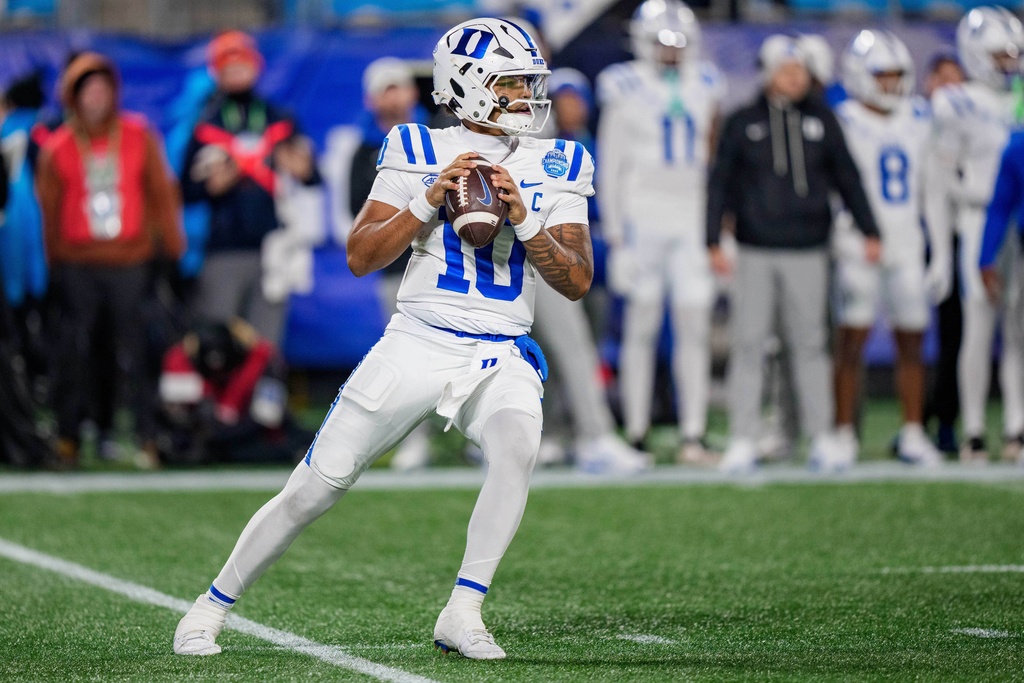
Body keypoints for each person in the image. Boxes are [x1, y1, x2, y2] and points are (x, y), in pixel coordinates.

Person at [174, 17, 594, 660]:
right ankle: (210, 606)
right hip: (419, 338)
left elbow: (577, 279)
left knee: (517, 446)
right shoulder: (415, 147)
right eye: (511, 82)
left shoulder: (560, 161)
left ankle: (463, 610)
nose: (526, 97)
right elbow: (361, 255)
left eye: (527, 82)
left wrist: (526, 217)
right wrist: (427, 201)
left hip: (502, 347)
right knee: (313, 489)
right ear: (472, 85)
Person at [706, 35, 882, 474]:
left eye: (800, 70)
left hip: (808, 248)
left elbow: (848, 177)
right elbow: (720, 182)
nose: (794, 77)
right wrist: (711, 238)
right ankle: (744, 438)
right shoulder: (742, 121)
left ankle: (821, 436)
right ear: (768, 74)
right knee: (749, 344)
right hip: (755, 248)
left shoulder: (822, 119)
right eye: (786, 70)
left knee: (810, 344)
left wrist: (870, 228)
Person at [35, 52, 184, 469]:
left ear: (114, 92)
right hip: (77, 264)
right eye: (87, 90)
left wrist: (172, 249)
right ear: (73, 97)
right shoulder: (58, 147)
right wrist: (48, 268)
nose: (96, 97)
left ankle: (147, 438)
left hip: (130, 261)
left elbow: (161, 194)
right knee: (76, 352)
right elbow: (48, 209)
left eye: (103, 88)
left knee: (136, 352)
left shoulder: (138, 135)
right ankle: (69, 437)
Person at [597, 0, 724, 465]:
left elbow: (713, 162)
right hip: (642, 217)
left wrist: (717, 229)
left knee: (694, 325)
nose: (670, 53)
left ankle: (693, 432)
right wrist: (616, 237)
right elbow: (611, 166)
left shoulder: (706, 83)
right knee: (641, 325)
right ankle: (636, 430)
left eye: (678, 44)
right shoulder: (623, 84)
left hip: (690, 216)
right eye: (662, 43)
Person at [831, 30, 943, 467]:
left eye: (897, 75)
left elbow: (930, 189)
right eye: (882, 75)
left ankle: (913, 430)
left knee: (912, 337)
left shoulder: (918, 115)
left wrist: (939, 253)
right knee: (851, 338)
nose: (891, 83)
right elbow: (836, 187)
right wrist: (843, 238)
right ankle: (843, 432)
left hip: (906, 240)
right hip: (859, 241)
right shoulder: (844, 118)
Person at [532, 67, 650, 473]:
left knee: (576, 346)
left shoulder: (554, 136)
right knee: (518, 356)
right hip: (508, 253)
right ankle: (535, 438)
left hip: (547, 251)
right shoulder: (517, 129)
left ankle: (593, 435)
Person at [926, 6, 1024, 464]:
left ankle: (1016, 427)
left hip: (1018, 224)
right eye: (1000, 54)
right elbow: (938, 181)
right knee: (978, 328)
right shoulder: (956, 101)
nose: (1008, 62)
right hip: (977, 216)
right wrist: (941, 252)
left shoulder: (1018, 95)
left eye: (1012, 54)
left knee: (1018, 330)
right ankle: (974, 429)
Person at [181, 30, 322, 345]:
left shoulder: (278, 118)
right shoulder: (206, 123)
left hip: (274, 246)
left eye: (241, 63)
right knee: (217, 341)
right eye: (228, 66)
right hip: (224, 248)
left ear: (256, 66)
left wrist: (301, 168)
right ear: (217, 72)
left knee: (266, 344)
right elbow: (185, 192)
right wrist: (212, 185)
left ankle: (265, 395)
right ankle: (221, 397)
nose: (236, 71)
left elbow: (313, 177)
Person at [348, 56, 435, 471]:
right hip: (397, 272)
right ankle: (415, 439)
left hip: (444, 264)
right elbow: (359, 214)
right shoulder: (365, 150)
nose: (395, 95)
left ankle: (474, 439)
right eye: (386, 88)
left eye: (399, 86)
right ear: (372, 99)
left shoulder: (441, 137)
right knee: (408, 362)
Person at [156, 318, 308, 465]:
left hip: (252, 434)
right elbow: (170, 412)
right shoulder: (180, 360)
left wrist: (222, 431)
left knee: (279, 445)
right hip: (210, 435)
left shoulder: (262, 360)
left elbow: (268, 416)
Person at [922, 53, 966, 454]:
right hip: (911, 236)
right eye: (944, 80)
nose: (952, 89)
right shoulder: (915, 120)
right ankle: (916, 419)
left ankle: (947, 419)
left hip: (955, 235)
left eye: (959, 80)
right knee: (912, 331)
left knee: (955, 332)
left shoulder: (970, 122)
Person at [977, 131, 1024, 462]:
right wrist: (986, 254)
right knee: (1017, 340)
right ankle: (1016, 427)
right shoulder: (1018, 146)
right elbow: (1000, 204)